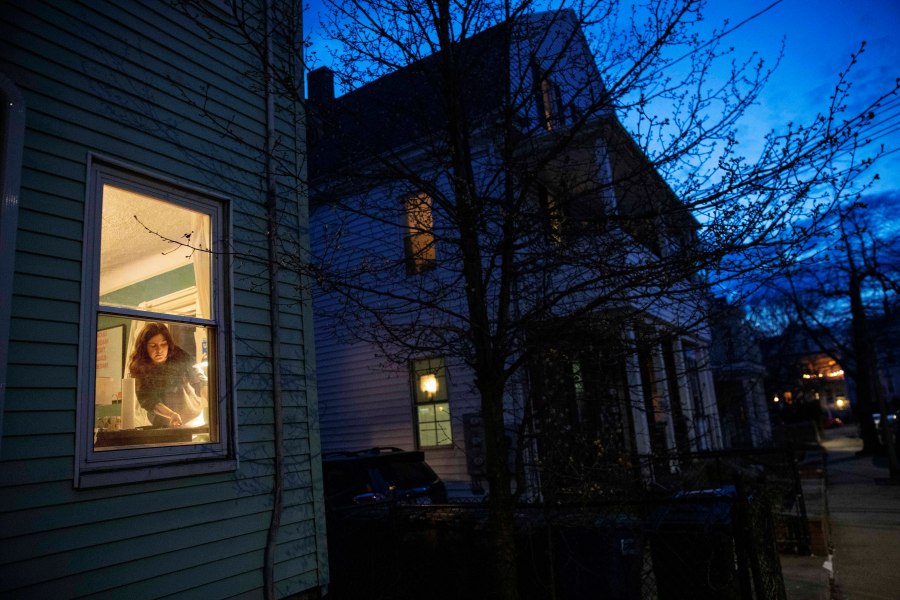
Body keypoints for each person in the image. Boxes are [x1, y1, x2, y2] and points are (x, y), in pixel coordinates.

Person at [128, 321, 206, 428]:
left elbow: (199, 379)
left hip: (194, 418)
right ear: (144, 348)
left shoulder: (179, 355)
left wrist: (212, 400)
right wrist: (171, 414)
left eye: (163, 344)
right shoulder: (139, 368)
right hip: (164, 423)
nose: (159, 350)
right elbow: (149, 400)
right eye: (153, 346)